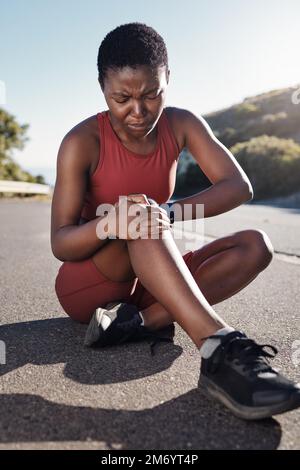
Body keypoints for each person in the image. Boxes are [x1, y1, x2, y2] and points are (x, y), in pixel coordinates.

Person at [51, 22, 300, 420]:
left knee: (255, 246)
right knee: (142, 217)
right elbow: (60, 242)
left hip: (152, 279)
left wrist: (169, 211)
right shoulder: (82, 141)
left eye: (152, 94)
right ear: (102, 88)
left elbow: (238, 186)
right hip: (91, 282)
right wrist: (110, 224)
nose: (138, 110)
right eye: (122, 98)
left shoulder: (181, 123)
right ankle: (219, 350)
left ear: (168, 79)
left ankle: (138, 323)